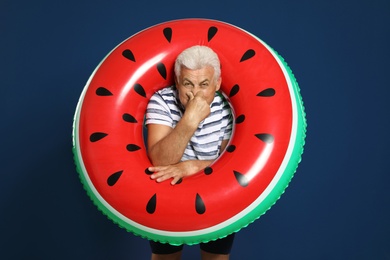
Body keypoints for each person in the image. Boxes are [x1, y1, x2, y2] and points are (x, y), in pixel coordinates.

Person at [145, 45, 234, 260]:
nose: (195, 93)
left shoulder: (229, 108)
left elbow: (230, 164)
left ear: (217, 84)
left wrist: (192, 166)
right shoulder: (162, 101)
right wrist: (190, 120)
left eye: (204, 84)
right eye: (188, 84)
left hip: (217, 196)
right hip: (167, 195)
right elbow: (159, 160)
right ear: (177, 83)